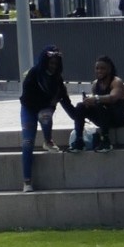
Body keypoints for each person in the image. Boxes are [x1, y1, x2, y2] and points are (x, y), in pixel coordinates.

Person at [19, 45, 75, 191]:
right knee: (27, 142)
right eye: (51, 63)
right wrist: (48, 103)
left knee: (45, 115)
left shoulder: (57, 81)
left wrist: (79, 116)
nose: (53, 66)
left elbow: (66, 102)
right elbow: (26, 98)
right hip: (29, 109)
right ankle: (27, 181)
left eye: (56, 64)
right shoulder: (34, 74)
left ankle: (48, 140)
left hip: (44, 112)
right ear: (45, 62)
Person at [69, 55, 124, 152]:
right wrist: (88, 102)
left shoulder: (116, 81)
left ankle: (106, 142)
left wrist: (96, 99)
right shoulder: (95, 84)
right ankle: (79, 141)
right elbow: (95, 103)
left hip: (117, 118)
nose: (99, 71)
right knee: (81, 106)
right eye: (97, 68)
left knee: (99, 104)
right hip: (103, 118)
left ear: (109, 69)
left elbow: (113, 98)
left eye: (102, 68)